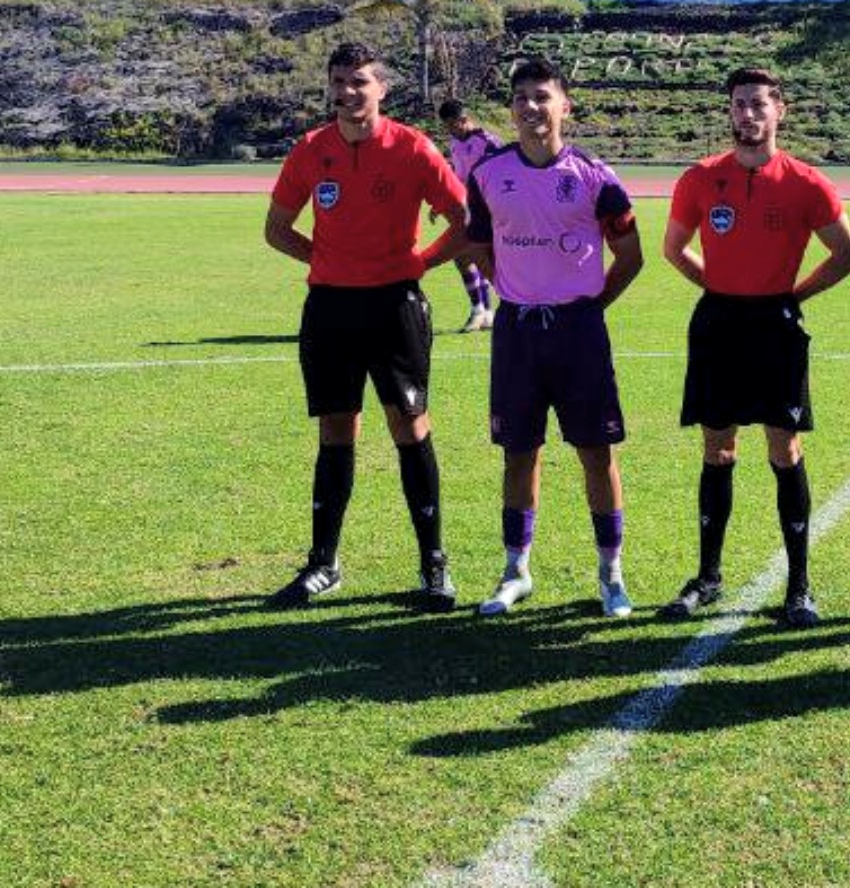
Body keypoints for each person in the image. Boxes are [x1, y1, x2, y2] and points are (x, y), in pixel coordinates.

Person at [263, 41, 470, 612]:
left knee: (410, 425)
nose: (347, 92)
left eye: (358, 81)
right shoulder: (311, 150)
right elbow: (277, 228)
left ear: (381, 88)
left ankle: (434, 567)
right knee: (335, 429)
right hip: (330, 307)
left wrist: (421, 263)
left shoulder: (412, 148)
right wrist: (328, 261)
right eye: (338, 81)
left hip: (394, 307)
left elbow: (465, 219)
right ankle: (323, 564)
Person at [657, 67, 850, 628]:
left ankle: (798, 587)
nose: (747, 114)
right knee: (717, 449)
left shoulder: (806, 182)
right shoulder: (700, 179)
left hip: (777, 324)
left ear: (779, 111)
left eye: (757, 105)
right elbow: (674, 250)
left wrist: (793, 295)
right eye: (738, 105)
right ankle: (708, 576)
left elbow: (847, 256)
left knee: (783, 448)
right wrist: (720, 290)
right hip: (719, 323)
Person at [463, 57, 643, 619]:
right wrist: (514, 290)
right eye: (520, 97)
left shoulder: (595, 176)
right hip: (517, 333)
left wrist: (588, 308)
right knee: (519, 455)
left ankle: (611, 574)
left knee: (596, 453)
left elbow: (631, 255)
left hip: (578, 333)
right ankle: (516, 569)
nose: (530, 107)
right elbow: (478, 247)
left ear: (565, 104)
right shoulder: (487, 175)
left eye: (542, 96)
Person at [436, 99, 502, 333]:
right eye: (447, 127)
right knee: (464, 257)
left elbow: (501, 177)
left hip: (487, 210)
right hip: (465, 209)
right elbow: (456, 175)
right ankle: (483, 311)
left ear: (464, 119)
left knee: (477, 256)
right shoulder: (455, 142)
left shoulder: (488, 142)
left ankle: (486, 310)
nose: (450, 131)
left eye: (453, 125)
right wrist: (440, 204)